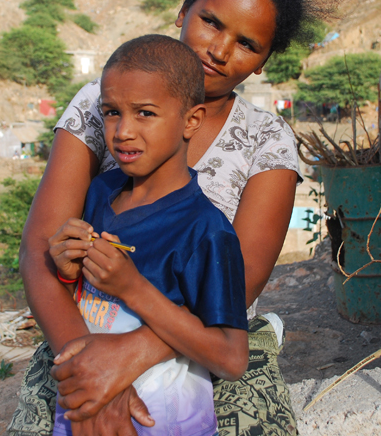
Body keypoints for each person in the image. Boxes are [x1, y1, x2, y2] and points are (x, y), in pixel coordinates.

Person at [8, 0, 342, 436]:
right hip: (85, 324)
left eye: (247, 44)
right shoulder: (104, 101)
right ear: (184, 10)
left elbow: (240, 282)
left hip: (210, 336)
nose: (220, 49)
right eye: (211, 21)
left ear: (263, 61)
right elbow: (38, 248)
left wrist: (125, 360)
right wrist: (88, 363)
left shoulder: (266, 140)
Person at [51, 34, 249, 436]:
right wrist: (68, 270)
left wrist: (133, 287)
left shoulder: (205, 231)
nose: (122, 131)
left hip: (164, 418)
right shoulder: (100, 192)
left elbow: (231, 357)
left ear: (191, 120)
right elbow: (93, 304)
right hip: (86, 400)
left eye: (144, 113)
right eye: (111, 112)